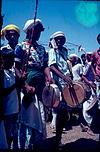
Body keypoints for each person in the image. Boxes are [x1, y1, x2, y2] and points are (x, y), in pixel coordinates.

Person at [19, 18, 52, 150]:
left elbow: (45, 65)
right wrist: (25, 85)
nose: (37, 33)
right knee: (27, 116)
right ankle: (26, 145)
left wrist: (48, 76)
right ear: (28, 31)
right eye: (35, 30)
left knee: (40, 115)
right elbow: (16, 68)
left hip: (39, 86)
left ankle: (37, 143)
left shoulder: (41, 49)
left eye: (39, 31)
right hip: (26, 87)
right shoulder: (20, 47)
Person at [0, 24, 23, 149]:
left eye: (14, 34)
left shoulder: (21, 48)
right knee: (7, 132)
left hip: (17, 99)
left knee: (16, 130)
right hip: (7, 104)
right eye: (8, 34)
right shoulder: (3, 49)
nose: (11, 36)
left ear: (18, 36)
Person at [48, 31, 72, 148]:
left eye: (61, 39)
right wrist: (64, 77)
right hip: (59, 85)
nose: (59, 41)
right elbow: (52, 67)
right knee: (60, 112)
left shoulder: (65, 51)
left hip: (67, 84)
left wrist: (69, 78)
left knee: (63, 113)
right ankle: (57, 140)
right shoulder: (52, 51)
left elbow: (66, 67)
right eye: (57, 39)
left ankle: (58, 139)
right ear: (54, 40)